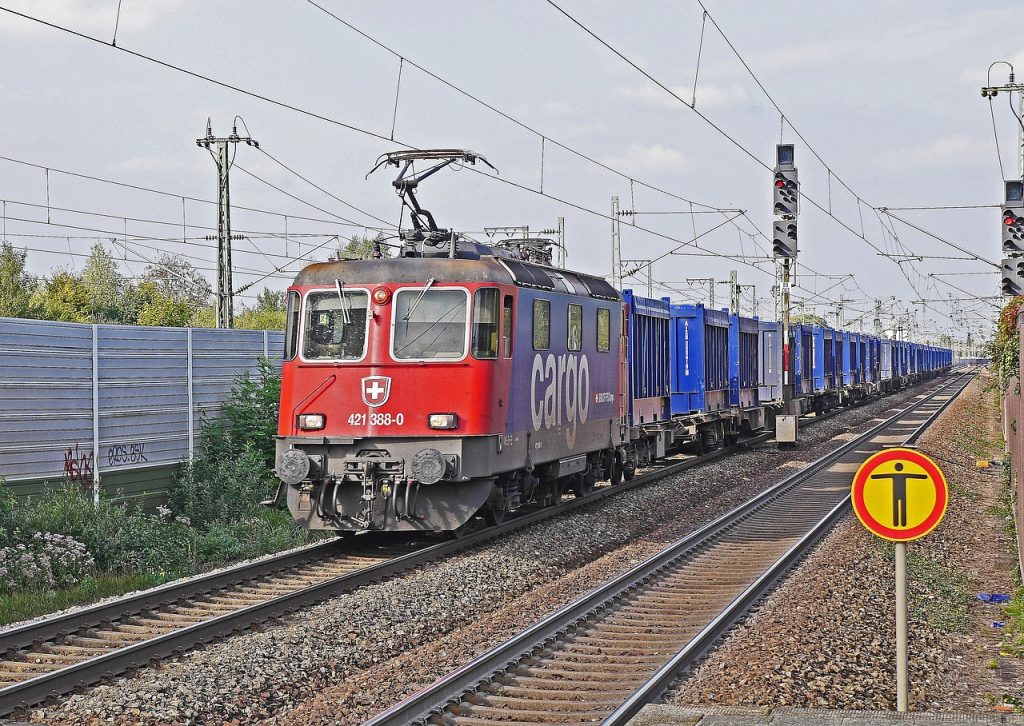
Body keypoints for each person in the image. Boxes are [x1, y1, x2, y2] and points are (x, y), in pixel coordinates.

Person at [870, 462, 927, 527]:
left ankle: (898, 523)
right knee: (901, 507)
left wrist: (872, 476)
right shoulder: (903, 475)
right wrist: (925, 476)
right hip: (902, 494)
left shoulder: (895, 475)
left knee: (897, 507)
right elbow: (915, 476)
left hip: (896, 494)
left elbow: (882, 476)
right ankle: (901, 523)